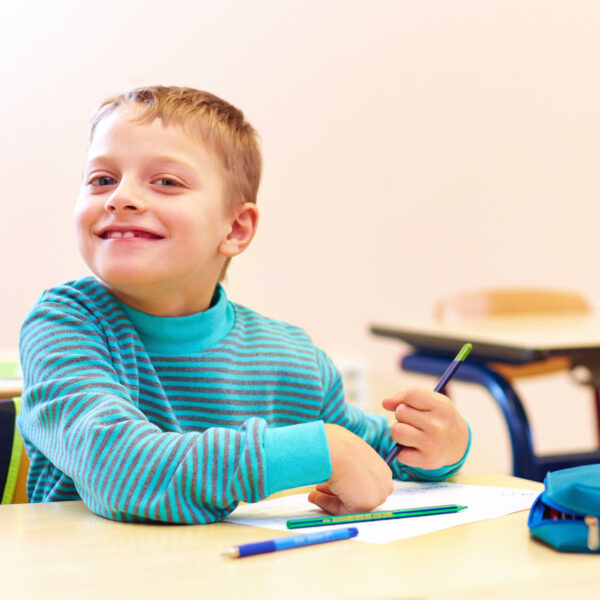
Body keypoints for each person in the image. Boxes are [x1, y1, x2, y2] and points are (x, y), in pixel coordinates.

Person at [18, 86, 471, 523]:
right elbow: (119, 471)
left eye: (166, 181)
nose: (120, 198)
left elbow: (370, 458)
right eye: (102, 179)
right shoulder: (63, 326)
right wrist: (316, 452)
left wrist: (438, 447)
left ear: (235, 229)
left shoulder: (291, 358)